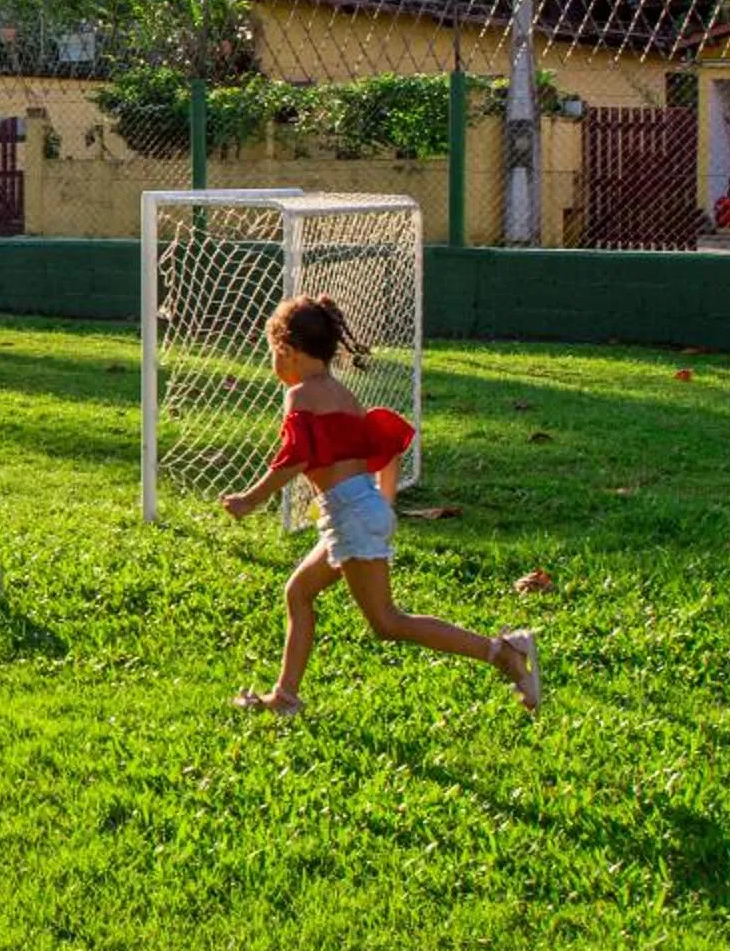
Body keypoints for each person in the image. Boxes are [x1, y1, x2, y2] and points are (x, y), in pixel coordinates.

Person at [218, 293, 540, 717]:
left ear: (288, 352)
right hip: (355, 510)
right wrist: (381, 505)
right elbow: (386, 446)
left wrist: (249, 500)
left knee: (388, 622)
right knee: (298, 592)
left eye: (271, 354)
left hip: (351, 515)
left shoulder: (302, 397)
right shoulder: (343, 395)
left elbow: (295, 459)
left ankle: (505, 654)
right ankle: (285, 698)